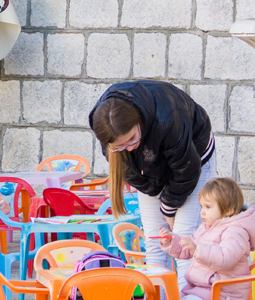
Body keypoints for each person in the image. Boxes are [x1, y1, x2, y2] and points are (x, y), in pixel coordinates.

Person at [89, 80, 216, 289]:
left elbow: (187, 170)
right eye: (119, 147)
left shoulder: (168, 117)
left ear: (139, 123)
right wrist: (160, 198)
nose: (128, 149)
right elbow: (130, 172)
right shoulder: (104, 123)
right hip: (151, 168)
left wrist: (168, 206)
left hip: (193, 160)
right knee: (155, 242)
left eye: (132, 139)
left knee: (184, 239)